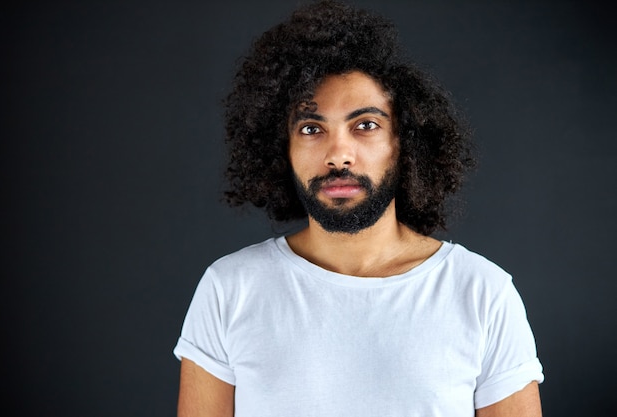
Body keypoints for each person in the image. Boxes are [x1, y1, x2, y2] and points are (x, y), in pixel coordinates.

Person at [173, 0, 544, 415]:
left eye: (365, 125)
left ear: (403, 143)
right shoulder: (230, 289)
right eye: (312, 129)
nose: (339, 155)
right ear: (283, 149)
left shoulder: (482, 293)